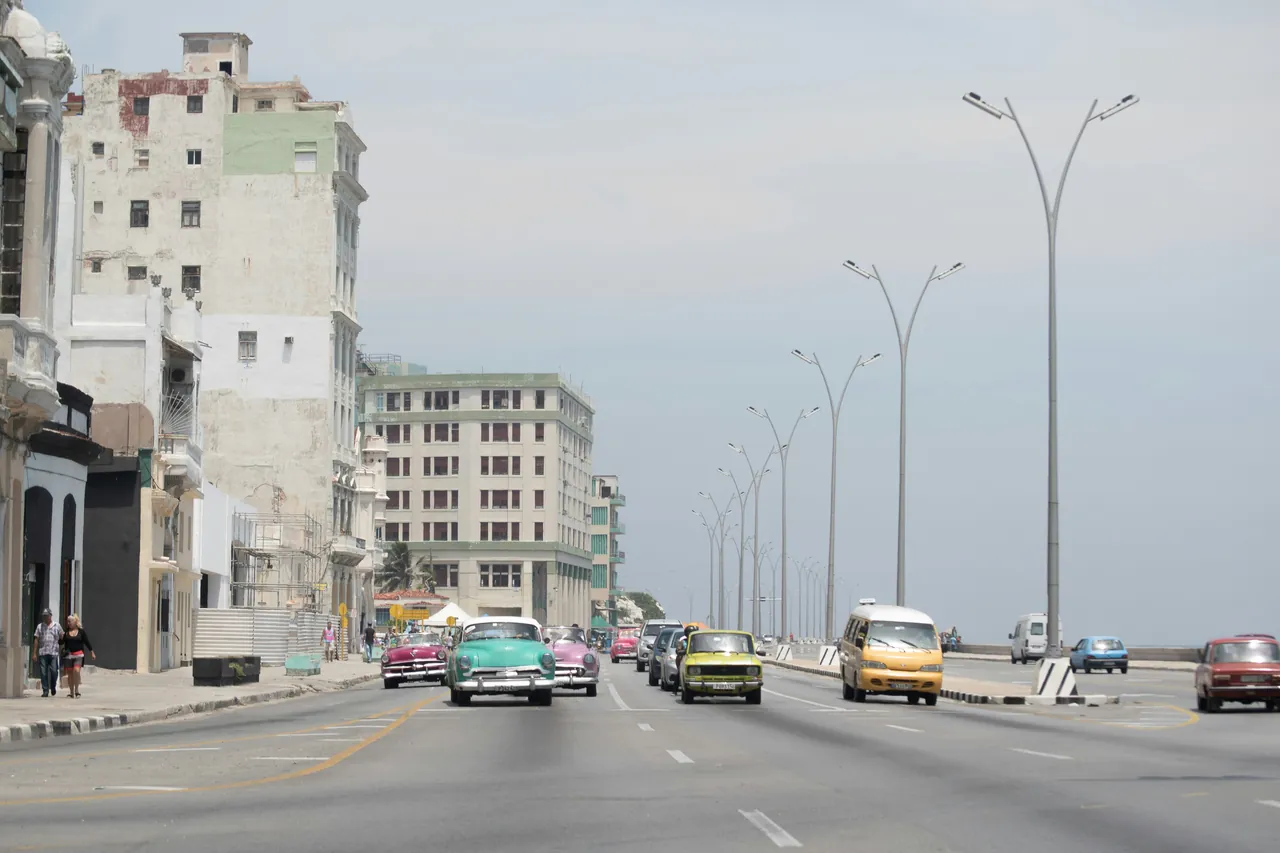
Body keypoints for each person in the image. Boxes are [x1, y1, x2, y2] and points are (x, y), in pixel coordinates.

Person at [59, 614, 94, 698]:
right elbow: (61, 643)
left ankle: (77, 690)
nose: (68, 623)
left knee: (76, 671)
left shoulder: (81, 632)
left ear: (75, 622)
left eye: (70, 621)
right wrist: (60, 638)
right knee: (70, 674)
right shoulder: (66, 632)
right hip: (68, 656)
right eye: (68, 621)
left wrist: (91, 651)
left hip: (78, 655)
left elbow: (86, 641)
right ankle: (71, 692)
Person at [32, 608, 63, 697]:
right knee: (43, 672)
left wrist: (62, 646)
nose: (45, 617)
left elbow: (62, 636)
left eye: (46, 616)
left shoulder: (57, 626)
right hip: (43, 652)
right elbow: (36, 639)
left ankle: (53, 686)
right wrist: (34, 653)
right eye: (44, 616)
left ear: (50, 616)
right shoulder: (40, 626)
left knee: (54, 671)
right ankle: (45, 690)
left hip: (53, 653)